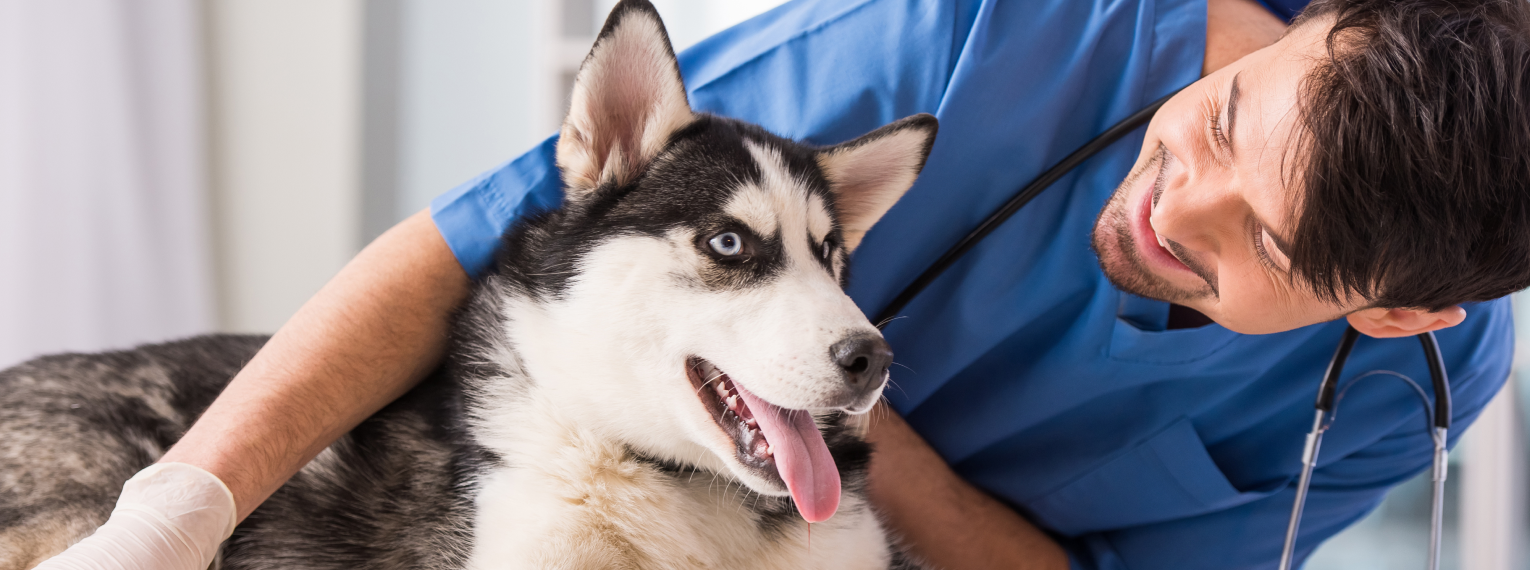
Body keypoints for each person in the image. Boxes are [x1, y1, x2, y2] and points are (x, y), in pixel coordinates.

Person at [35, 0, 1530, 568]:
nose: (1166, 196)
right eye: (1217, 113)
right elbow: (474, 236)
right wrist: (186, 500)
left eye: (1256, 240)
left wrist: (844, 439)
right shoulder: (986, 37)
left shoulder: (1411, 395)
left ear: (1393, 312)